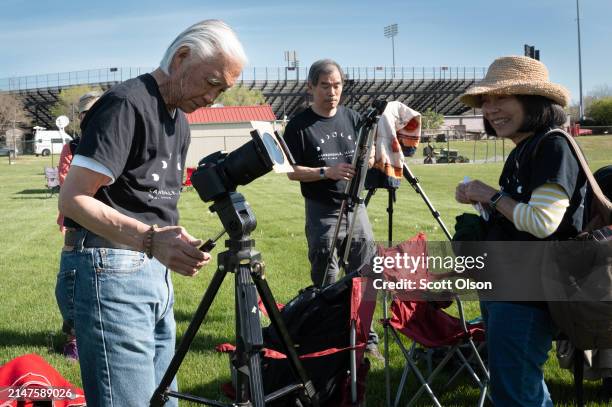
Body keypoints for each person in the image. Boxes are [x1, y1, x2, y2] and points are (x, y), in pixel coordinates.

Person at [56, 20, 246, 406]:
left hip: (150, 271)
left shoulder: (180, 121)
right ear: (180, 58)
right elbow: (72, 198)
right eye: (211, 82)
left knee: (162, 400)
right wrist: (150, 239)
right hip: (109, 271)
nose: (213, 97)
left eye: (222, 90)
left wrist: (172, 238)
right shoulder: (127, 103)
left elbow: (145, 200)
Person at [455, 55, 586, 406]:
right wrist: (482, 202)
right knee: (519, 386)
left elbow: (542, 223)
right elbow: (517, 217)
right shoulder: (523, 149)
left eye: (501, 98)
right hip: (508, 284)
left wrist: (491, 195)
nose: (490, 108)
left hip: (530, 294)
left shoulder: (553, 146)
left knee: (515, 393)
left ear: (532, 100)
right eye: (486, 100)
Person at [282, 59, 380, 358]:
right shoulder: (299, 125)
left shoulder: (353, 118)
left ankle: (367, 336)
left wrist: (371, 156)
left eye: (337, 85)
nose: (332, 91)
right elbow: (290, 170)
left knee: (365, 273)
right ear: (311, 87)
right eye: (325, 85)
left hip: (356, 207)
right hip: (322, 210)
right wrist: (327, 172)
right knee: (327, 278)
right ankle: (333, 338)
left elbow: (369, 153)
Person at [56, 90, 102, 362]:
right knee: (68, 286)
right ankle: (74, 338)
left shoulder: (115, 143)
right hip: (76, 223)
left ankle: (97, 334)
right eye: (86, 114)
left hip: (109, 224)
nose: (91, 118)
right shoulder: (71, 148)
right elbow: (67, 184)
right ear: (82, 118)